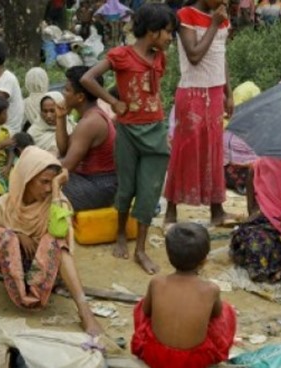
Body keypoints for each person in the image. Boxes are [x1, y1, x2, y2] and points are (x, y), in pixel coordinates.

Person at [0, 146, 102, 336]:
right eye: (44, 182)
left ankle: (85, 312)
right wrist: (17, 234)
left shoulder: (58, 202)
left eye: (51, 183)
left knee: (57, 244)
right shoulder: (5, 204)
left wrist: (55, 192)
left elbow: (59, 232)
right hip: (13, 270)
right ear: (27, 179)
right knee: (1, 237)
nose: (47, 188)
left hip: (49, 272)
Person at [80, 4, 175, 275]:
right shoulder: (121, 56)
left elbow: (151, 92)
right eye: (167, 32)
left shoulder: (160, 58)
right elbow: (88, 78)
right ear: (153, 32)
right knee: (126, 187)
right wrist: (113, 101)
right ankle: (121, 233)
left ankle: (141, 249)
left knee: (150, 189)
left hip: (154, 130)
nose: (170, 38)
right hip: (128, 132)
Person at [164, 0, 235, 229]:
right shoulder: (186, 15)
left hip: (214, 93)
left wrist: (228, 92)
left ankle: (217, 210)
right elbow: (194, 55)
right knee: (185, 149)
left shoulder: (220, 15)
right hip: (192, 92)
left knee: (214, 149)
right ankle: (171, 211)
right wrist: (214, 24)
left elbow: (220, 55)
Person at [132, 223, 237, 368]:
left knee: (142, 305)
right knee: (227, 311)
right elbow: (217, 315)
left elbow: (145, 312)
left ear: (169, 256)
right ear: (204, 261)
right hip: (194, 362)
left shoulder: (157, 283)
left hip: (154, 356)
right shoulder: (210, 289)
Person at [231, 158, 281, 293]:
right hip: (271, 223)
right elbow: (254, 169)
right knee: (253, 241)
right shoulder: (273, 163)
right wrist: (254, 211)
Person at [59, 66, 117, 213]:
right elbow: (64, 149)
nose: (63, 94)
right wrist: (61, 118)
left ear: (80, 97)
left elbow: (67, 166)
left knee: (42, 184)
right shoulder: (89, 116)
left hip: (99, 186)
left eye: (67, 90)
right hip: (93, 181)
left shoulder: (90, 122)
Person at [28, 91, 71, 156]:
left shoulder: (72, 128)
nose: (48, 115)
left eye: (52, 111)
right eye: (45, 111)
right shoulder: (32, 133)